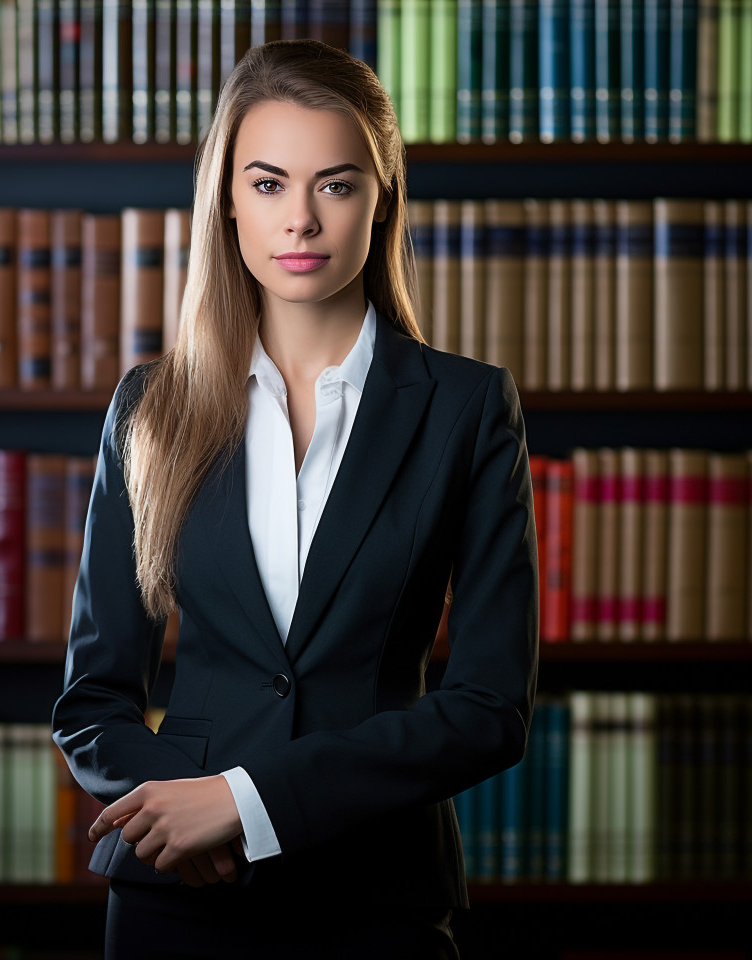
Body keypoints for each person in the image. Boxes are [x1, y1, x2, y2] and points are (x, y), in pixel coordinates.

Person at [52, 38, 538, 960]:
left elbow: (488, 707)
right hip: (175, 899)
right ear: (226, 198)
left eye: (337, 184)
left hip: (376, 895)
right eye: (269, 184)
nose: (302, 221)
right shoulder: (152, 407)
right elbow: (92, 700)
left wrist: (244, 804)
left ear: (382, 195)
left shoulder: (469, 409)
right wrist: (178, 817)